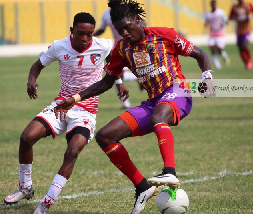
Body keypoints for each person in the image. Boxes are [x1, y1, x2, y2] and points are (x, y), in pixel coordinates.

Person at [55, 0, 214, 213]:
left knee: (159, 116)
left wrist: (207, 77)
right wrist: (75, 98)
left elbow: (200, 54)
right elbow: (106, 82)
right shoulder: (122, 49)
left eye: (128, 27)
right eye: (120, 30)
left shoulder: (164, 34)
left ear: (138, 20)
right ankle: (142, 187)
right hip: (153, 102)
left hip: (178, 91)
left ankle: (170, 172)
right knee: (105, 136)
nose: (125, 33)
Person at [3, 12, 126, 213]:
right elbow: (37, 65)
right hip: (61, 105)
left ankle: (45, 204)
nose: (85, 38)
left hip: (86, 110)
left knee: (73, 150)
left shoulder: (102, 45)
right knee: (26, 137)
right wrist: (31, 81)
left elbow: (114, 64)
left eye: (89, 34)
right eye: (80, 33)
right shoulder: (59, 46)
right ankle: (25, 188)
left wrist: (119, 83)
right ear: (72, 31)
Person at [94, 8, 142, 109]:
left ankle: (177, 94)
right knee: (115, 75)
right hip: (118, 48)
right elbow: (102, 29)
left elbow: (142, 24)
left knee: (116, 75)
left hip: (132, 46)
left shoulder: (128, 10)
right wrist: (91, 35)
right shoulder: (106, 14)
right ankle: (126, 103)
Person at [229, 0, 253, 70]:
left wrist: (251, 17)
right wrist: (236, 18)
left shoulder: (248, 5)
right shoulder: (235, 7)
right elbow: (230, 17)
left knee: (244, 45)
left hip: (246, 29)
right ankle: (246, 62)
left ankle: (250, 60)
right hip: (239, 30)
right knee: (240, 48)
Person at [204, 0, 230, 70]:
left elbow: (226, 21)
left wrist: (224, 23)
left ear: (216, 4)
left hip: (220, 34)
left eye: (214, 4)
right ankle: (217, 64)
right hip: (212, 35)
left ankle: (224, 56)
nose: (213, 5)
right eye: (212, 4)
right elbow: (205, 23)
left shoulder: (221, 13)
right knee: (212, 49)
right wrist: (206, 23)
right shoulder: (208, 14)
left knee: (219, 49)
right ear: (210, 5)